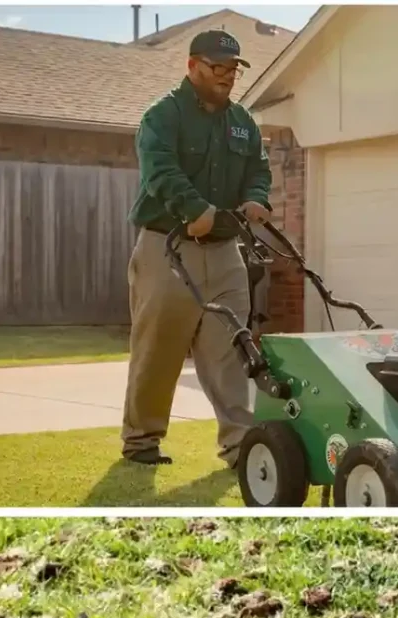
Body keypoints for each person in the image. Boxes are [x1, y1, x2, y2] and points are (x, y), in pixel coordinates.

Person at [122, 29, 272, 467]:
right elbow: (160, 170)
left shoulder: (243, 122)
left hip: (225, 249)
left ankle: (240, 445)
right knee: (159, 347)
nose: (226, 76)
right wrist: (194, 208)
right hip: (168, 247)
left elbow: (258, 169)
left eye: (233, 69)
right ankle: (142, 440)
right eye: (217, 67)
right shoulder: (162, 116)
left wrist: (256, 198)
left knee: (232, 349)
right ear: (192, 65)